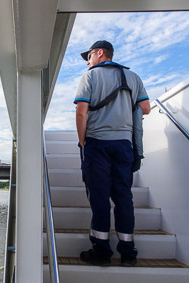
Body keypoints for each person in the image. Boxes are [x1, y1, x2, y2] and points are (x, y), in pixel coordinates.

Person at [74, 40, 151, 267]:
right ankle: (128, 253)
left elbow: (81, 111)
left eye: (88, 56)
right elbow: (145, 108)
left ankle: (102, 251)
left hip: (97, 144)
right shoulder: (133, 77)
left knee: (99, 198)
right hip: (124, 145)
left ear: (99, 53)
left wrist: (82, 142)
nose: (88, 61)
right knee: (123, 197)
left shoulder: (90, 76)